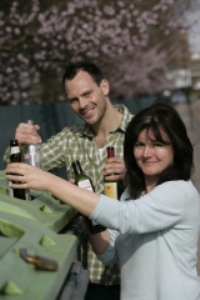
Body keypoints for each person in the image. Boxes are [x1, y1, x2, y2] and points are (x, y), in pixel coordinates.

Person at [6, 101, 200, 300]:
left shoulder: (179, 191)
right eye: (139, 144)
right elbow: (108, 253)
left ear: (175, 148)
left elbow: (128, 217)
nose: (146, 153)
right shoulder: (133, 194)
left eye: (157, 145)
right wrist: (83, 207)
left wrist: (51, 182)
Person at [4, 61, 133, 300]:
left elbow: (173, 185)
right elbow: (17, 170)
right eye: (74, 99)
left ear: (104, 86)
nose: (82, 105)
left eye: (87, 94)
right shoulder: (69, 139)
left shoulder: (141, 132)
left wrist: (135, 174)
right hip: (90, 279)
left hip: (136, 276)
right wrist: (18, 145)